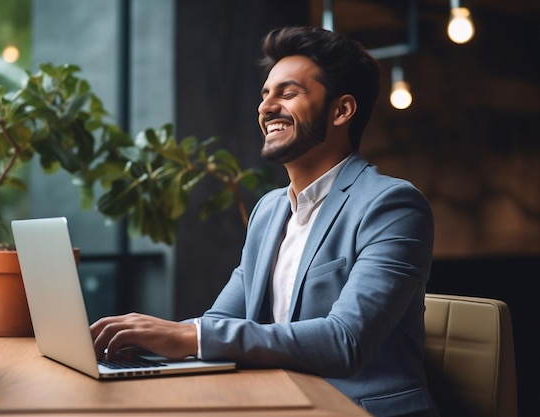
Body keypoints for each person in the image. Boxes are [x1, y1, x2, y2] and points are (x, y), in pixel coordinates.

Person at [91, 26, 438, 417]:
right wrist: (142, 340)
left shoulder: (391, 205)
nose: (266, 107)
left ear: (341, 110)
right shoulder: (268, 210)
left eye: (287, 94)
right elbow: (222, 321)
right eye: (265, 94)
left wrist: (190, 335)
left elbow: (345, 341)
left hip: (357, 408)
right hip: (279, 400)